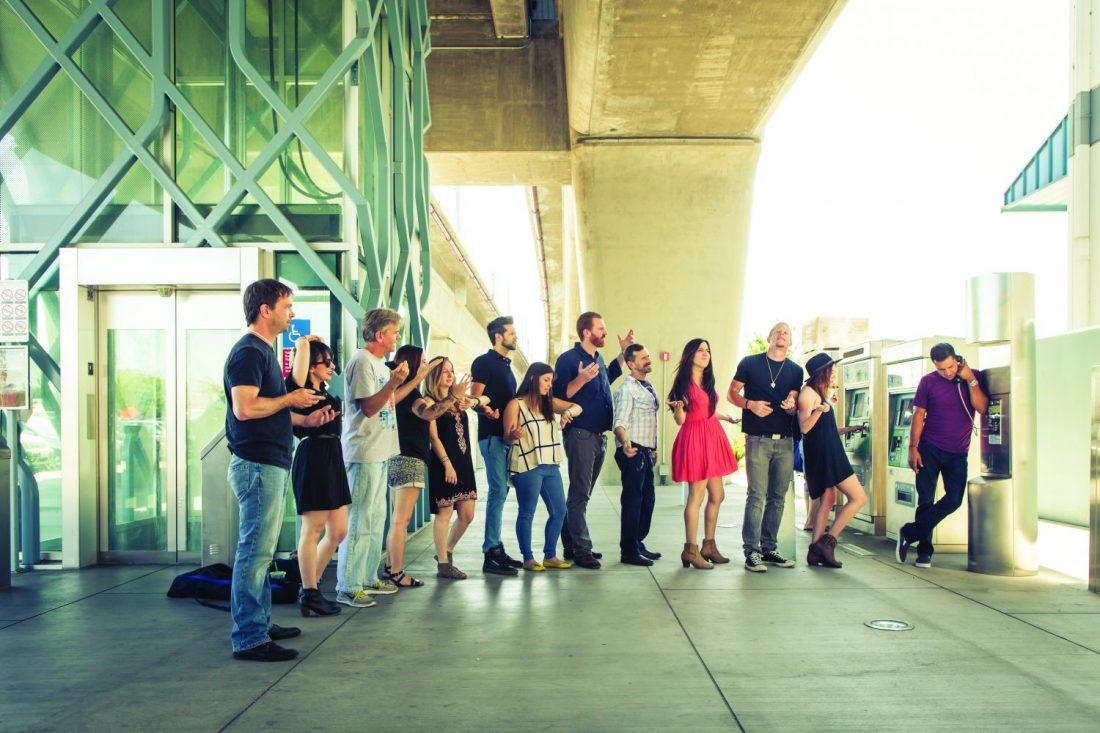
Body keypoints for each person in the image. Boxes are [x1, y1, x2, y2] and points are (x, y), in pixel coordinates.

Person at [223, 279, 334, 662]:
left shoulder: (263, 352)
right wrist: (291, 398)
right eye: (288, 306)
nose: (293, 313)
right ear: (265, 309)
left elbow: (269, 408)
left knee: (261, 551)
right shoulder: (249, 353)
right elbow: (245, 408)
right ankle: (250, 637)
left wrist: (303, 419)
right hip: (257, 466)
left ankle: (259, 621)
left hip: (268, 463)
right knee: (254, 553)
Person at [336, 308, 417, 607]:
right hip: (364, 451)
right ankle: (347, 584)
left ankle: (367, 576)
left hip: (381, 450)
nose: (398, 337)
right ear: (379, 334)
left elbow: (388, 399)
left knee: (376, 518)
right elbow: (369, 407)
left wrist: (405, 381)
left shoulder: (381, 365)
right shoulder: (361, 362)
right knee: (359, 519)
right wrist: (394, 382)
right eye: (394, 332)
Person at [553, 312, 634, 570]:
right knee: (579, 494)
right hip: (580, 434)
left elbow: (608, 376)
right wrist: (582, 379)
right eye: (601, 328)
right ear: (587, 332)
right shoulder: (568, 359)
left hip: (599, 437)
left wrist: (623, 353)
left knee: (582, 494)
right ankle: (581, 549)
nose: (605, 333)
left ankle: (571, 543)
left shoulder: (596, 358)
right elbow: (558, 396)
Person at [896, 342, 987, 568]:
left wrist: (969, 378)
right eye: (941, 369)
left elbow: (982, 407)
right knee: (925, 499)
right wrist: (912, 448)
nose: (947, 373)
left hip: (958, 452)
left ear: (957, 359)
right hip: (929, 447)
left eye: (950, 367)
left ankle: (909, 532)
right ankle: (924, 552)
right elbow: (918, 415)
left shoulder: (971, 377)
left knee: (954, 499)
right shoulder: (928, 381)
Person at [727, 322, 804, 572]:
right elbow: (732, 393)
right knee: (757, 495)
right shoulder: (750, 363)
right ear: (769, 337)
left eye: (787, 333)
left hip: (784, 440)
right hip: (757, 439)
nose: (782, 335)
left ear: (790, 341)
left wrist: (791, 405)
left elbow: (793, 402)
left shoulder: (795, 370)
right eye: (778, 331)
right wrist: (749, 404)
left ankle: (769, 548)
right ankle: (752, 552)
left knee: (777, 498)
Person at [387, 346, 465, 587]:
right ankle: (396, 573)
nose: (425, 365)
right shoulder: (409, 395)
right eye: (422, 362)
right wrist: (454, 396)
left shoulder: (403, 391)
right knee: (402, 519)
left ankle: (391, 568)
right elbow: (430, 414)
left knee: (397, 519)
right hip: (409, 458)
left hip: (400, 457)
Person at [286, 335, 350, 617]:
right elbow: (296, 378)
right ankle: (310, 591)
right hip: (313, 456)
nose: (331, 366)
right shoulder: (299, 391)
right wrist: (304, 343)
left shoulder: (323, 392)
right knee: (311, 530)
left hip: (332, 456)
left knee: (338, 531)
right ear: (311, 366)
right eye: (326, 362)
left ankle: (309, 586)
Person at [668, 339, 740, 570]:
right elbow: (682, 419)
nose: (705, 354)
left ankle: (709, 545)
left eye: (708, 350)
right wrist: (678, 410)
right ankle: (691, 549)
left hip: (712, 438)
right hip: (696, 440)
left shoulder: (706, 382)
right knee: (696, 497)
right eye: (700, 350)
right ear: (690, 355)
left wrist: (727, 417)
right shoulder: (684, 384)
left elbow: (707, 410)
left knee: (717, 495)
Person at [504, 363, 582, 572]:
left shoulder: (549, 404)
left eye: (551, 381)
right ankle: (528, 558)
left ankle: (550, 555)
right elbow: (507, 437)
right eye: (546, 380)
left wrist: (568, 414)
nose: (549, 385)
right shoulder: (516, 404)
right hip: (526, 464)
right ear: (533, 378)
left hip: (550, 465)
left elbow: (577, 407)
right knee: (527, 512)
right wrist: (514, 435)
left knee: (559, 510)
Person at [797, 353, 868, 568]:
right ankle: (828, 542)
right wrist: (820, 410)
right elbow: (805, 427)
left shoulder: (820, 393)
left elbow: (825, 430)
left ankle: (815, 550)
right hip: (826, 454)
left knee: (827, 500)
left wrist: (850, 429)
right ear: (822, 372)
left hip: (829, 450)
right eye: (832, 369)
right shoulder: (808, 394)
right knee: (858, 498)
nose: (835, 373)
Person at [424, 357, 489, 579]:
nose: (449, 375)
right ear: (434, 375)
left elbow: (487, 397)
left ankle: (447, 550)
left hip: (463, 461)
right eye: (444, 372)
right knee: (444, 513)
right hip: (444, 462)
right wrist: (447, 465)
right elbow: (433, 437)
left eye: (451, 371)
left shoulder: (459, 398)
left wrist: (472, 402)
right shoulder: (429, 400)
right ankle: (443, 563)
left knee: (467, 514)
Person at [470, 316, 521, 577]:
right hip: (492, 437)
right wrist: (485, 408)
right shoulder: (484, 362)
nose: (515, 336)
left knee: (501, 492)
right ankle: (491, 552)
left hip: (505, 437)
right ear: (498, 336)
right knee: (498, 491)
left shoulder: (505, 365)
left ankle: (496, 547)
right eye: (511, 333)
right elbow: (474, 397)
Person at [612, 344, 662, 566]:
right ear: (631, 364)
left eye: (648, 355)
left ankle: (637, 542)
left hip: (645, 452)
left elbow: (648, 420)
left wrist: (654, 448)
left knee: (647, 501)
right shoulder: (627, 390)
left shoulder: (647, 386)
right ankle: (628, 551)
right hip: (632, 452)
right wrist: (625, 443)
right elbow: (619, 422)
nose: (648, 359)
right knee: (633, 503)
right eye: (643, 357)